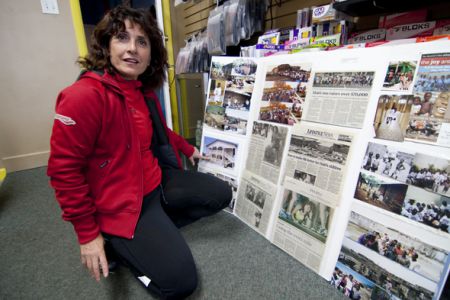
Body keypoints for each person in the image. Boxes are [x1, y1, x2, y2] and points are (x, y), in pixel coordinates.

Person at [47, 6, 231, 299]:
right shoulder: (82, 97)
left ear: (151, 54)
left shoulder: (141, 91)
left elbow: (159, 132)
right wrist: (87, 235)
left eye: (142, 42)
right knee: (179, 284)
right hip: (122, 204)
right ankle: (118, 242)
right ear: (107, 46)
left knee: (221, 194)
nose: (133, 48)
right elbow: (63, 172)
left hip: (155, 183)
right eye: (122, 38)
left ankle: (153, 235)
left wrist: (189, 149)